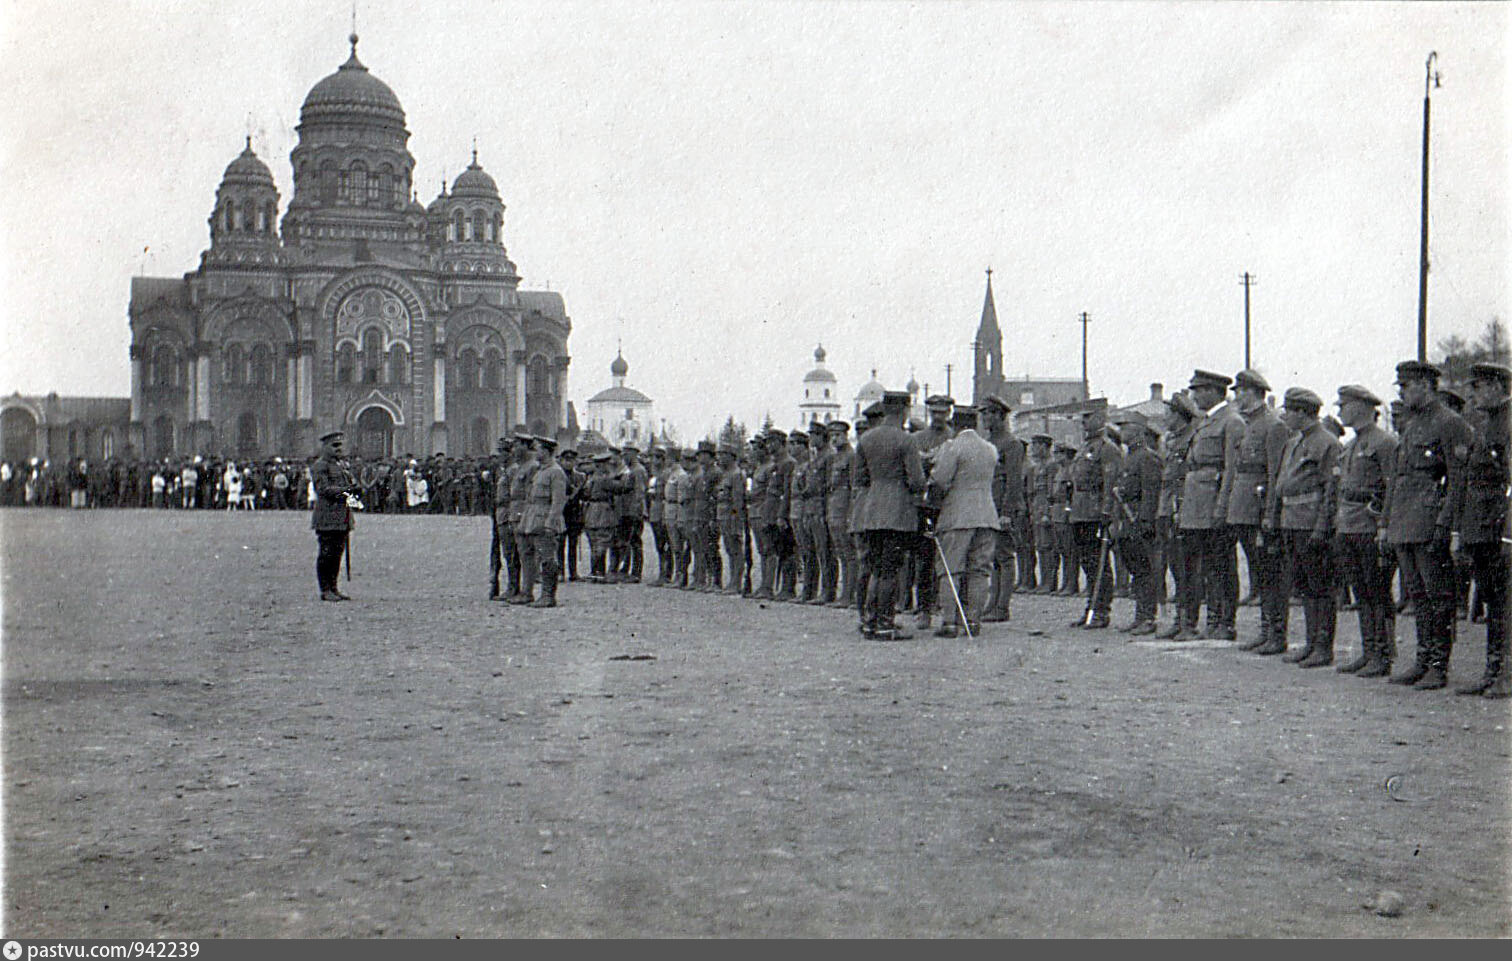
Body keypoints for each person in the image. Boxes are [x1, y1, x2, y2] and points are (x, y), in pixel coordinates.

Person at [1383, 360, 1473, 690]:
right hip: (1406, 518)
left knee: (1438, 595)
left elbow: (1458, 478)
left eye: (1406, 386)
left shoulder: (1449, 423)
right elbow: (1399, 475)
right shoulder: (1413, 424)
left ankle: (1438, 664)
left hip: (1429, 517)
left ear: (1425, 384)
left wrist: (1444, 524)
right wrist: (1389, 521)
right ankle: (1422, 659)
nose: (1402, 393)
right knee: (1417, 595)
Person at [1264, 388, 1342, 666]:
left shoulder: (1327, 443)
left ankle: (1323, 646)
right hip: (1292, 521)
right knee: (1305, 586)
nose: (1285, 415)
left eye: (1289, 410)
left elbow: (1331, 491)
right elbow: (1281, 482)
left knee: (1320, 586)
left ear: (1302, 413)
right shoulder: (1295, 442)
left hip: (1311, 523)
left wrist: (1322, 528)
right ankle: (1311, 643)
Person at [1330, 386, 1399, 677]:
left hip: (1370, 525)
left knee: (1377, 590)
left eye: (1344, 405)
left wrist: (1383, 524)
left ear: (1361, 406)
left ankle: (1382, 654)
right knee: (1360, 591)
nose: (1340, 411)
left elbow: (1392, 487)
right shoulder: (1352, 445)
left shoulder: (1384, 443)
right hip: (1349, 524)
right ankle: (1369, 650)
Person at [1454, 362, 1510, 697]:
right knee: (1492, 601)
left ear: (1496, 387)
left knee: (1506, 602)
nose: (1472, 394)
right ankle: (1493, 670)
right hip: (1482, 527)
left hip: (1500, 528)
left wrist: (1509, 533)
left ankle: (1505, 672)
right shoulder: (1485, 423)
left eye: (1477, 387)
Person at [1225, 369, 1291, 650]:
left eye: (1240, 391)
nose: (1236, 396)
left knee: (1271, 573)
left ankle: (1276, 633)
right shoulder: (1249, 424)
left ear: (1253, 392)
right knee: (1259, 572)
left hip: (1259, 509)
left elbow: (1275, 474)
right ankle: (1266, 630)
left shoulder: (1273, 425)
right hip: (1243, 509)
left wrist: (1270, 514)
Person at [854, 391, 926, 640]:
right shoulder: (906, 440)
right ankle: (885, 623)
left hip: (872, 510)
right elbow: (916, 481)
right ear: (905, 411)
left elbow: (860, 478)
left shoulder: (866, 439)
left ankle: (870, 621)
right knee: (890, 570)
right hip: (897, 511)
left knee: (875, 568)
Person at [1177, 369, 1244, 640]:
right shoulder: (1205, 422)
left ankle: (1224, 622)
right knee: (1200, 566)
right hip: (1196, 506)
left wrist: (1222, 506)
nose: (1194, 395)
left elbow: (1231, 469)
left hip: (1213, 504)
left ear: (1215, 392)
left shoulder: (1231, 421)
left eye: (1199, 390)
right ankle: (1209, 619)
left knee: (1221, 566)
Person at [926, 406, 998, 637]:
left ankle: (949, 622)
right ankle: (973, 621)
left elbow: (939, 480)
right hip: (987, 515)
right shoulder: (990, 449)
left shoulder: (952, 447)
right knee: (979, 570)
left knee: (950, 569)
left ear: (954, 425)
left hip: (957, 516)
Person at [1067, 408, 1122, 629]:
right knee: (1087, 563)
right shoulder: (1085, 447)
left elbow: (1110, 482)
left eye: (1088, 418)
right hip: (1080, 511)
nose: (1083, 423)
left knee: (1099, 563)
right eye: (1083, 419)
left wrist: (1107, 511)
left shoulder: (1108, 449)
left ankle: (1100, 611)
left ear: (1100, 419)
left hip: (1095, 511)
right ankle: (1091, 606)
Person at [1110, 413, 1162, 635]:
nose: (1121, 431)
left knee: (1145, 570)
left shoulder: (1147, 458)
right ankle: (1139, 616)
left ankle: (1148, 618)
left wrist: (1145, 521)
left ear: (1139, 430)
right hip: (1126, 520)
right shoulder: (1128, 457)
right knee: (1135, 569)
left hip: (1138, 520)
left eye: (1125, 427)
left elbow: (1151, 493)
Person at [519, 436, 568, 607]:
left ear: (547, 451)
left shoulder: (556, 472)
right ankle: (528, 592)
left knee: (547, 558)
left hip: (545, 519)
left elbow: (558, 501)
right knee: (530, 556)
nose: (535, 452)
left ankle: (548, 595)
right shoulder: (540, 471)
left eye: (538, 449)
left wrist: (550, 523)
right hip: (532, 517)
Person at [311, 431, 355, 602]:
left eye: (340, 445)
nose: (338, 449)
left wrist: (353, 490)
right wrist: (346, 491)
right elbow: (323, 489)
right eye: (334, 446)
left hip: (342, 517)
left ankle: (334, 587)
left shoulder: (342, 466)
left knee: (337, 554)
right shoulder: (320, 466)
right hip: (327, 517)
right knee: (326, 553)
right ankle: (325, 589)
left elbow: (349, 486)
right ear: (325, 447)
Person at [825, 421, 857, 609]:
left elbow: (854, 487)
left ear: (845, 435)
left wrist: (851, 513)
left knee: (849, 554)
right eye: (832, 435)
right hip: (834, 508)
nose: (834, 439)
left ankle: (849, 595)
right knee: (841, 553)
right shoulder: (835, 458)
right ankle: (844, 594)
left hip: (844, 509)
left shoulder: (851, 457)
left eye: (837, 435)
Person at [715, 443, 748, 595]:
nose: (719, 458)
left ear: (731, 456)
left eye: (723, 454)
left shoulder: (736, 474)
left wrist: (736, 519)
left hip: (732, 516)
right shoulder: (726, 474)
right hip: (723, 515)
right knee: (729, 549)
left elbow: (738, 500)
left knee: (735, 549)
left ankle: (736, 582)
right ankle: (732, 581)